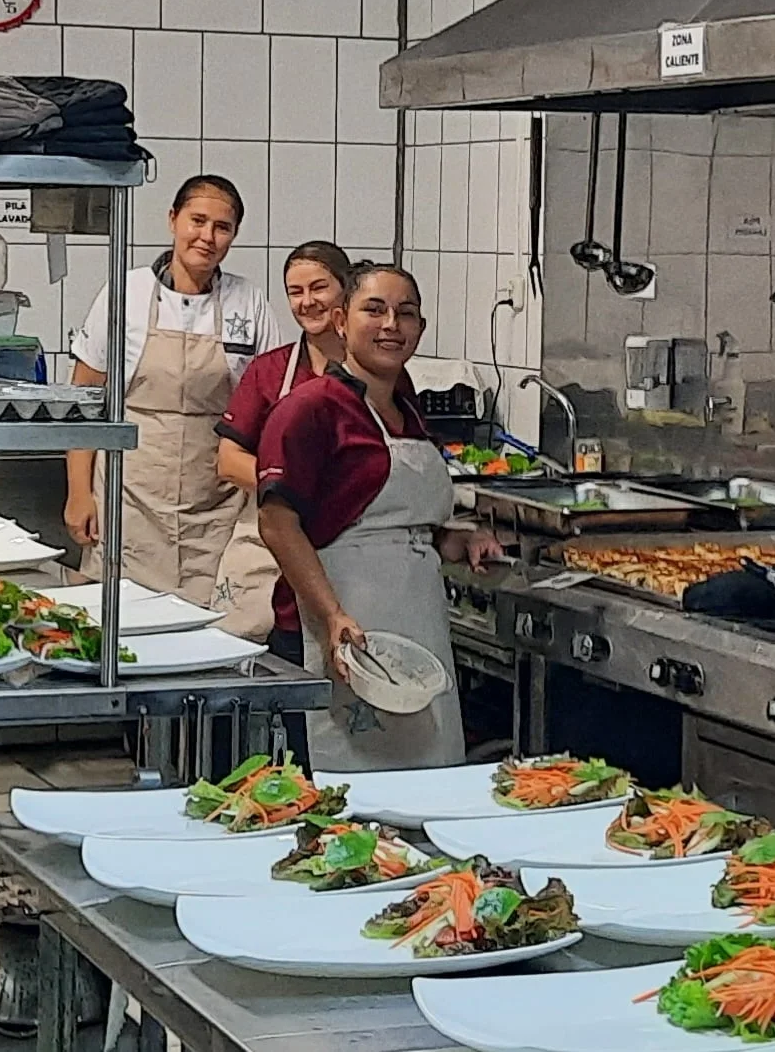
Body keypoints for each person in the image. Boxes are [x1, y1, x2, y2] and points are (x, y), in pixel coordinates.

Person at [256, 264, 494, 770]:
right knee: (345, 784)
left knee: (423, 777)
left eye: (406, 314)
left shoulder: (407, 411)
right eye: (375, 310)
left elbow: (393, 522)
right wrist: (331, 615)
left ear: (421, 330)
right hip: (339, 621)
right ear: (341, 322)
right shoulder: (310, 408)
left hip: (416, 622)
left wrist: (456, 539)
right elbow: (278, 524)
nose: (392, 324)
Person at [64, 176, 279, 606]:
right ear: (172, 219)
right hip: (129, 499)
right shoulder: (125, 292)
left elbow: (271, 409)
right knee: (123, 625)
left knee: (211, 629)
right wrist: (78, 492)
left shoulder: (248, 302)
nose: (207, 236)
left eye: (223, 227)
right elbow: (84, 400)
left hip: (215, 506)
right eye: (197, 220)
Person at [211, 241, 353, 647]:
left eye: (319, 288)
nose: (307, 302)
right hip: (274, 552)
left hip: (349, 558)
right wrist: (296, 491)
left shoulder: (374, 373)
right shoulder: (270, 371)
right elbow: (228, 461)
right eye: (296, 291)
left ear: (345, 290)